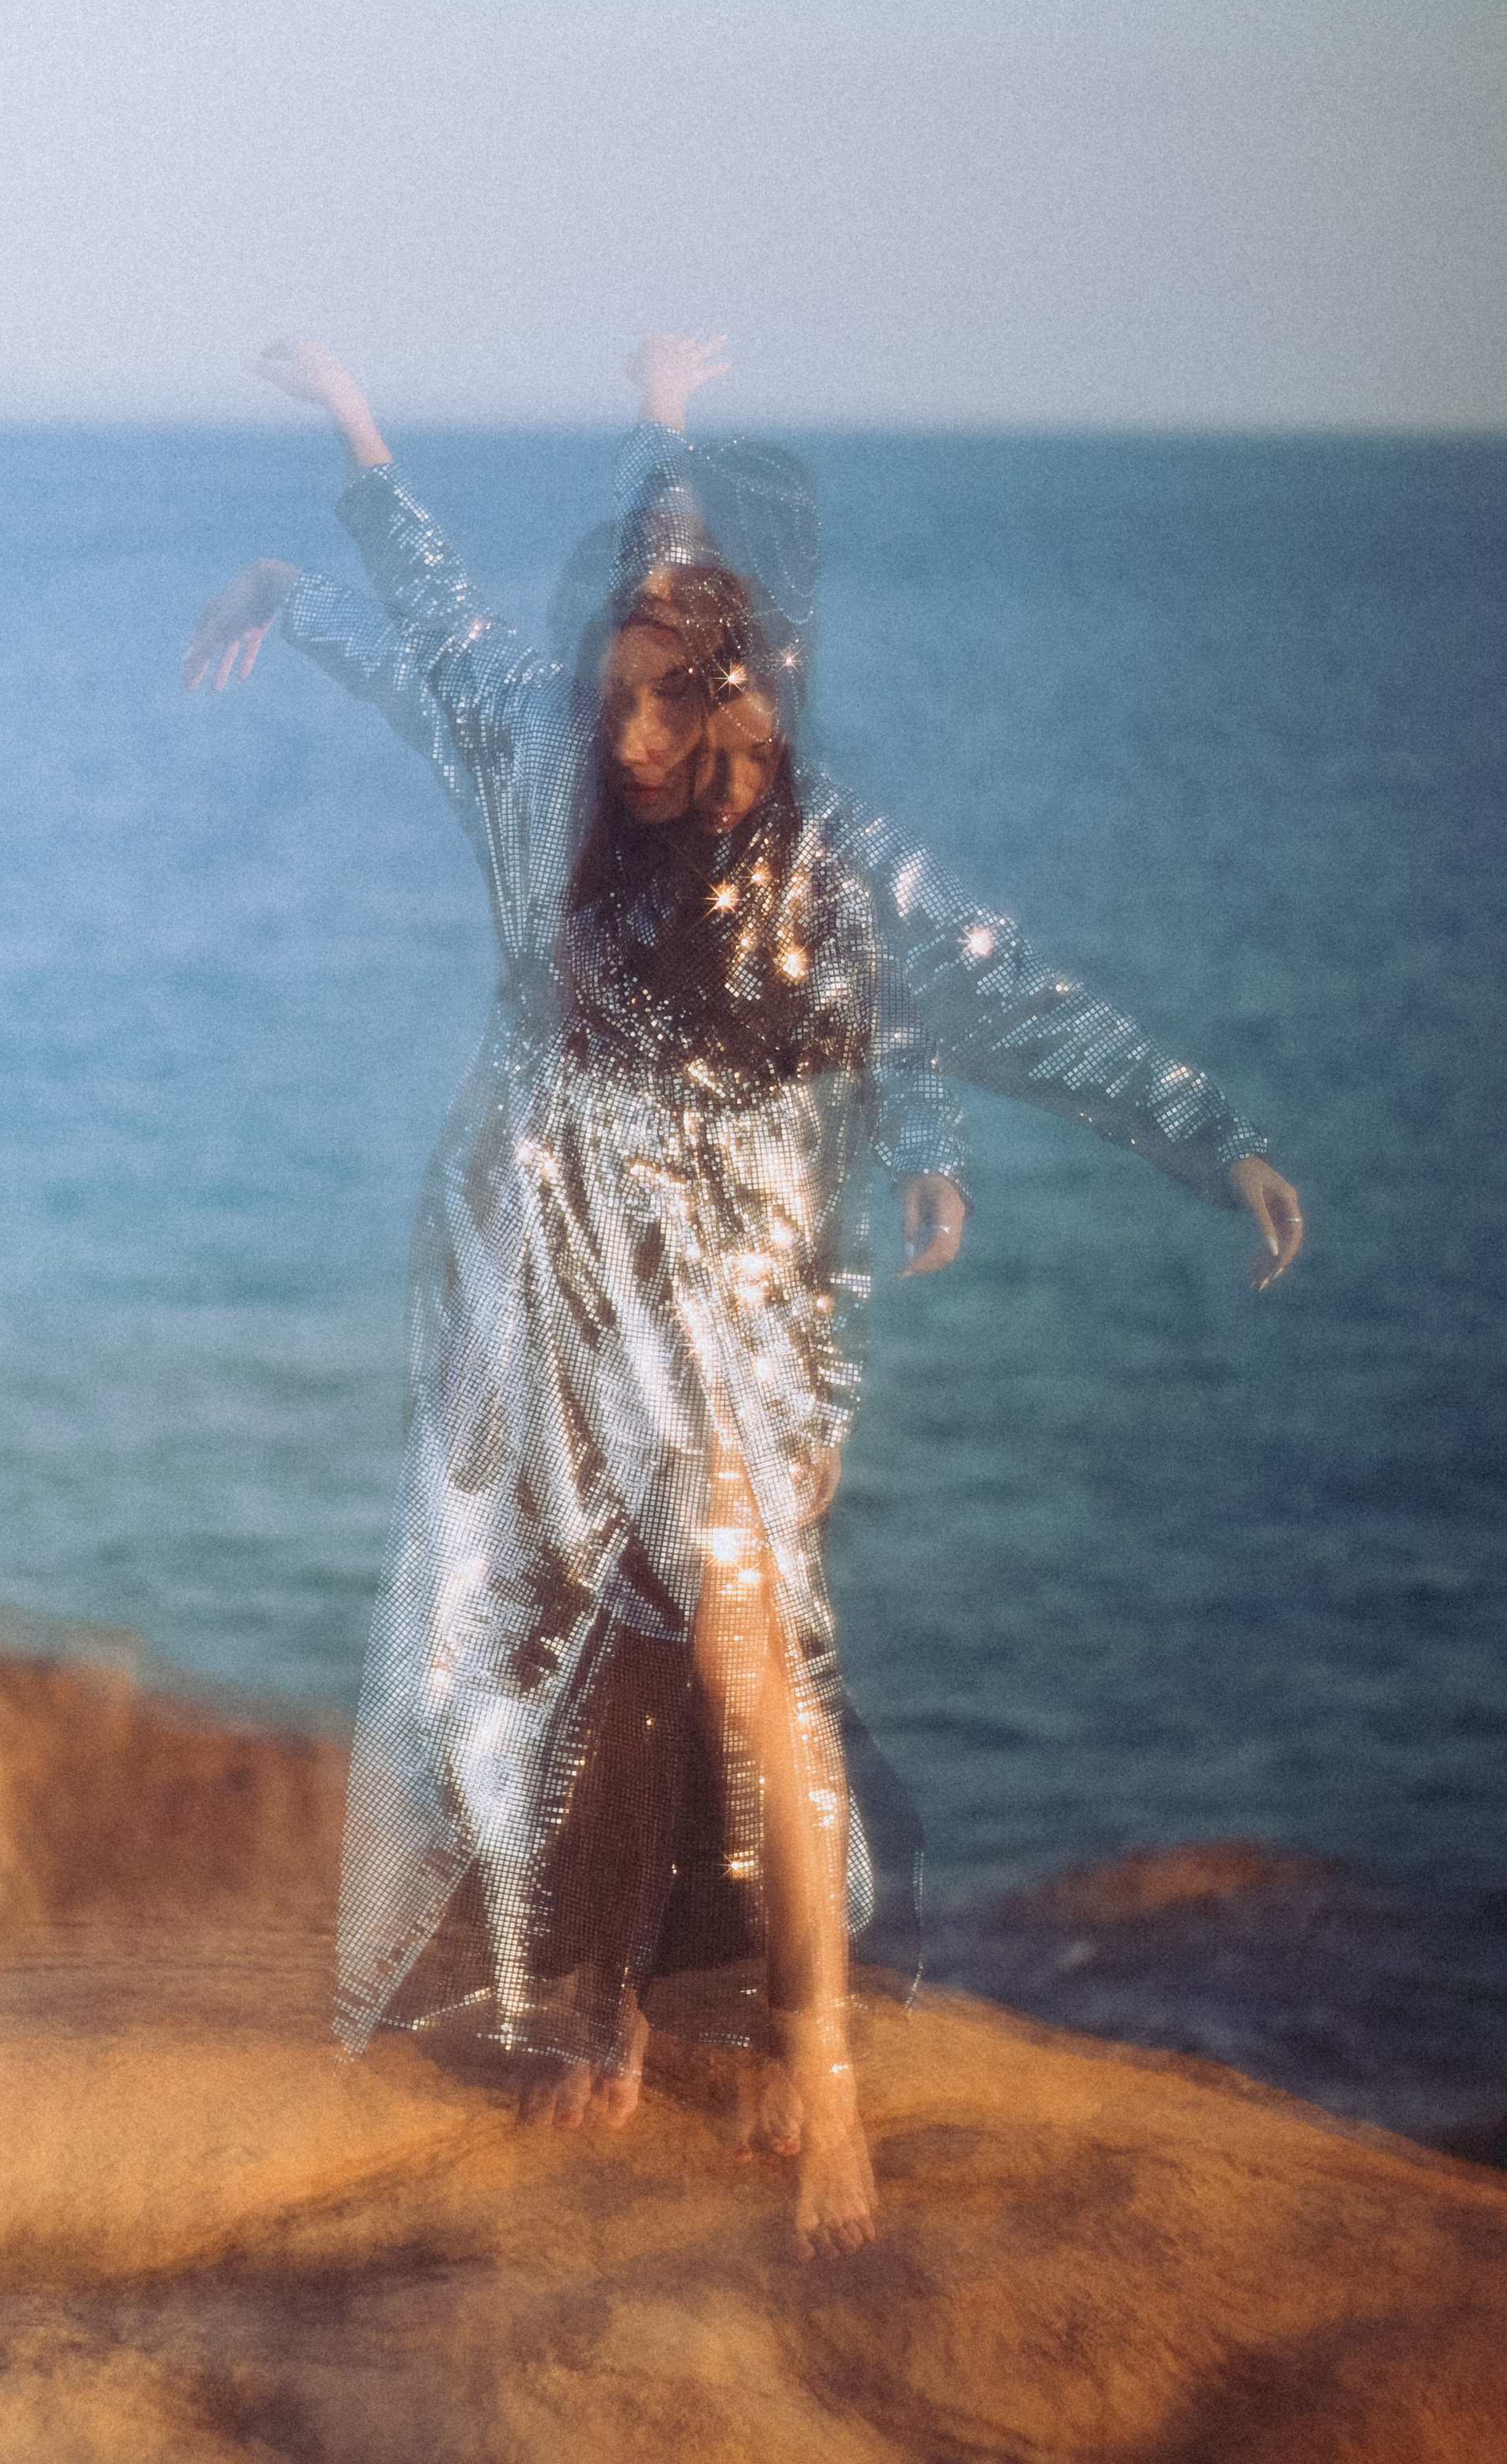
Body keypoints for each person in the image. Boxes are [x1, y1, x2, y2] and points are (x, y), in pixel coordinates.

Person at [184, 333, 1303, 2260]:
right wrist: (359, 429)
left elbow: (982, 986)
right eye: (605, 686)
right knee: (551, 1631)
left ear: (740, 694)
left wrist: (1201, 1132)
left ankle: (810, 2036)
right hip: (540, 1264)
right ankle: (597, 1988)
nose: (613, 733)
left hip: (751, 1298)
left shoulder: (822, 853)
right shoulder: (545, 775)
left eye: (655, 701)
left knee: (746, 1652)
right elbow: (445, 612)